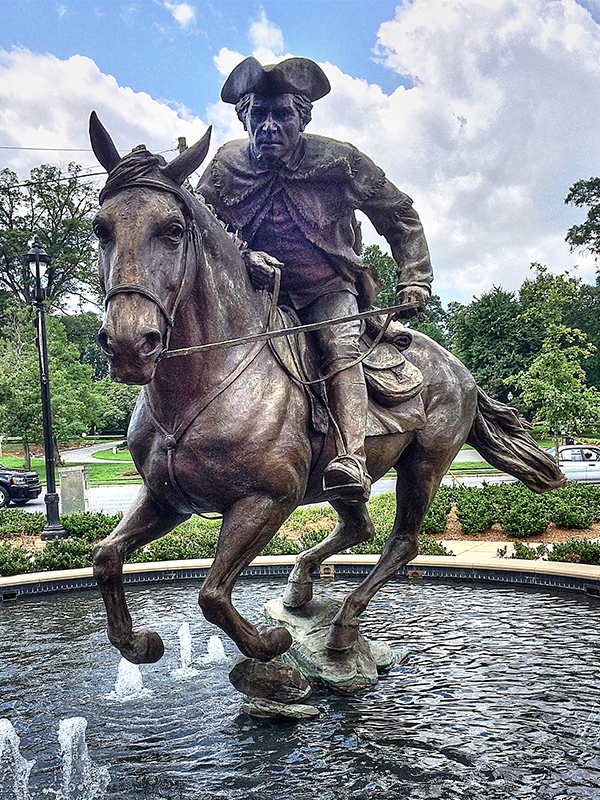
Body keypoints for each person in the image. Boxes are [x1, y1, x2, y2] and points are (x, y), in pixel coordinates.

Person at [198, 56, 433, 501]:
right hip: (256, 294)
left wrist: (416, 276)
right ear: (244, 117)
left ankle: (351, 458)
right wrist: (246, 256)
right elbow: (203, 228)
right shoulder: (226, 164)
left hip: (328, 288)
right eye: (258, 115)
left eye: (282, 114)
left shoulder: (340, 161)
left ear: (301, 118)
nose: (269, 126)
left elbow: (399, 214)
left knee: (338, 345)